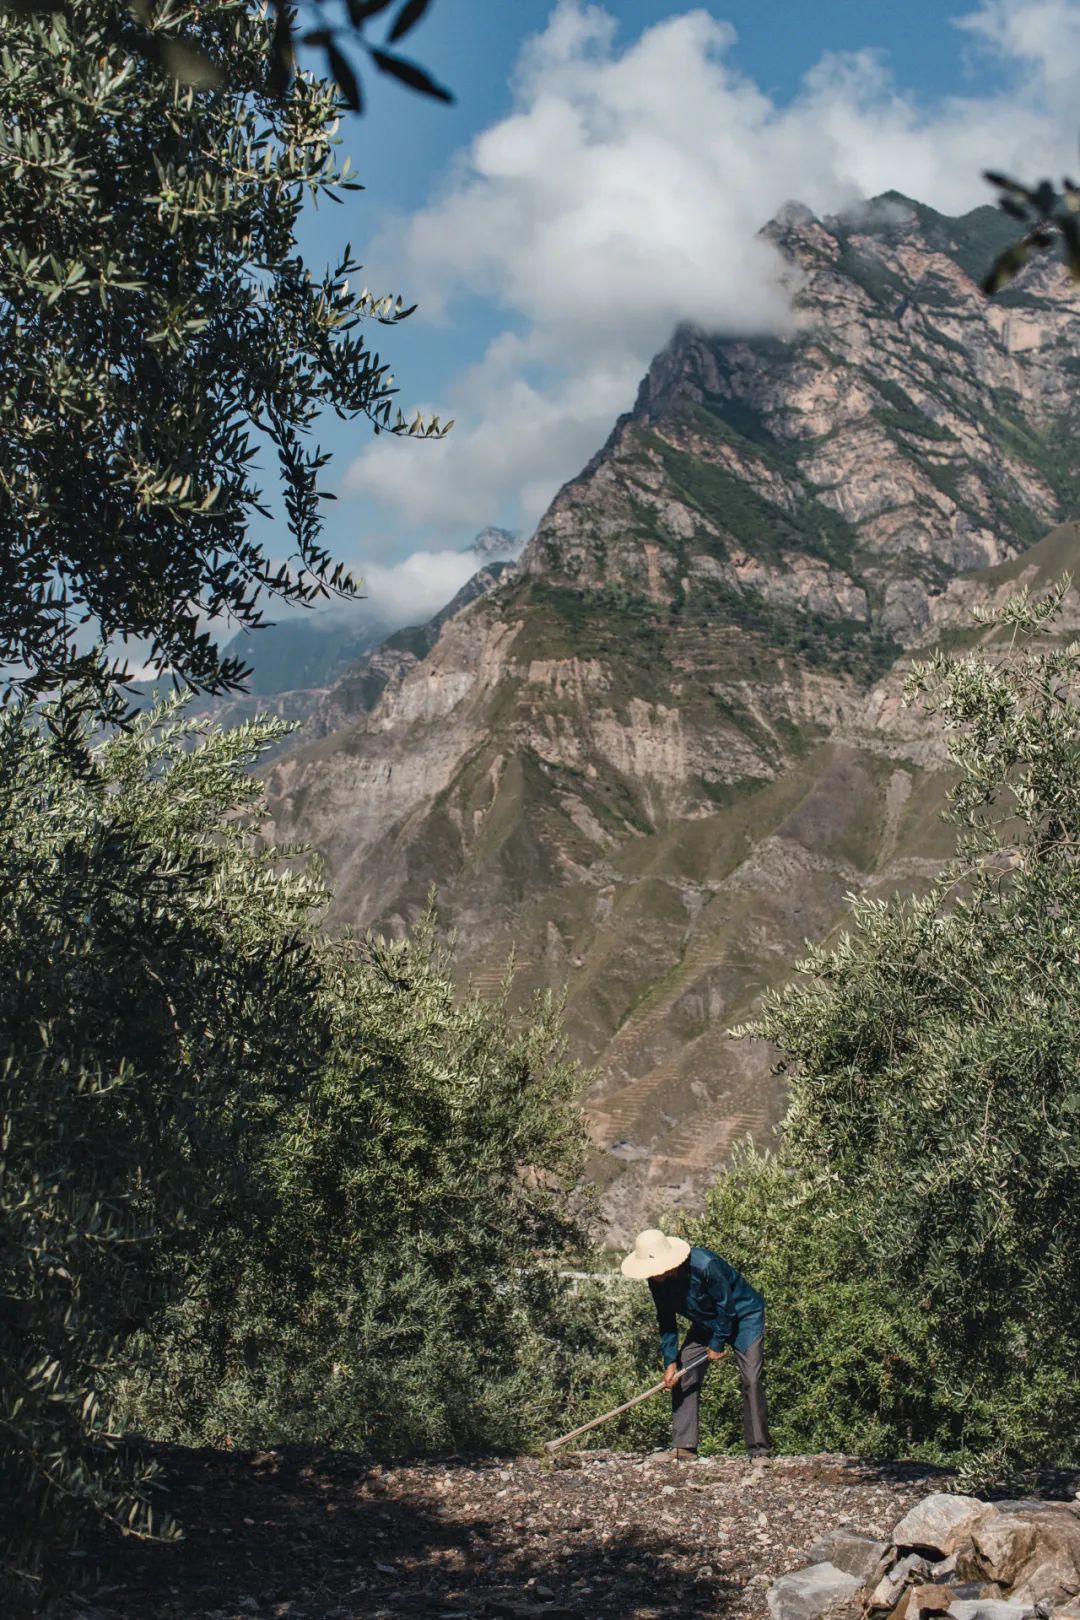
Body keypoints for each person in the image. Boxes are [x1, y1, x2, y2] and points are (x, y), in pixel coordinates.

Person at [621, 1228, 770, 1462]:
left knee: (751, 1379)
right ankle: (684, 1447)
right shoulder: (656, 1281)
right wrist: (670, 1361)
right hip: (707, 1321)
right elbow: (666, 1320)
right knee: (683, 1372)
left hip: (744, 1317)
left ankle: (759, 1451)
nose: (653, 1274)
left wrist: (717, 1342)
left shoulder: (705, 1265)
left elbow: (726, 1307)